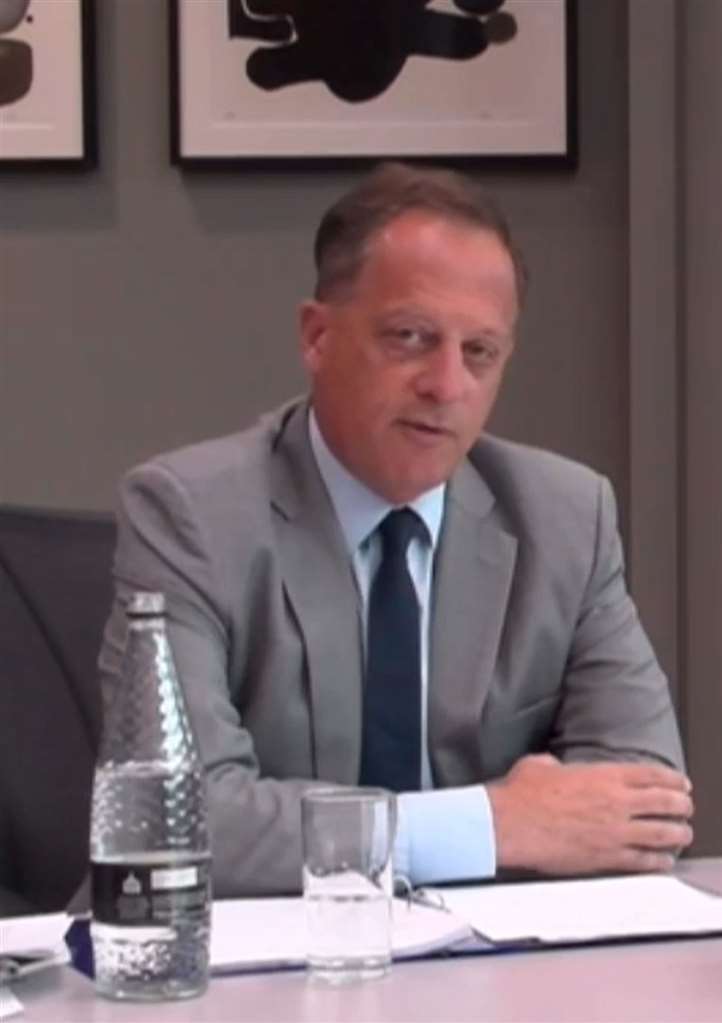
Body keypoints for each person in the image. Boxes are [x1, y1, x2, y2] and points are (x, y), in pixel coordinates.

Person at [97, 162, 692, 897]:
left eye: (480, 352)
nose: (447, 385)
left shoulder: (566, 517)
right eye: (411, 337)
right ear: (317, 337)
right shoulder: (189, 515)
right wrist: (490, 825)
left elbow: (647, 805)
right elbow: (174, 817)